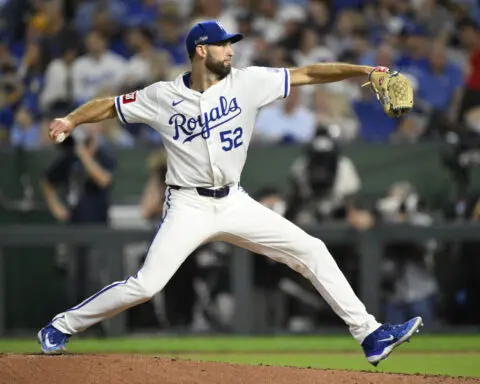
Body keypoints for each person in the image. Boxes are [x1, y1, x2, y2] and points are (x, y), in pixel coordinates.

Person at [38, 20, 422, 366]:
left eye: (231, 44)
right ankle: (61, 325)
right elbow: (109, 105)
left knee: (311, 249)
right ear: (201, 51)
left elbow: (307, 73)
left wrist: (365, 71)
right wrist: (71, 119)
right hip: (188, 204)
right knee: (145, 285)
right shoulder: (162, 96)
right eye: (223, 44)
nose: (231, 50)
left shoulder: (248, 81)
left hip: (235, 201)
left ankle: (369, 334)